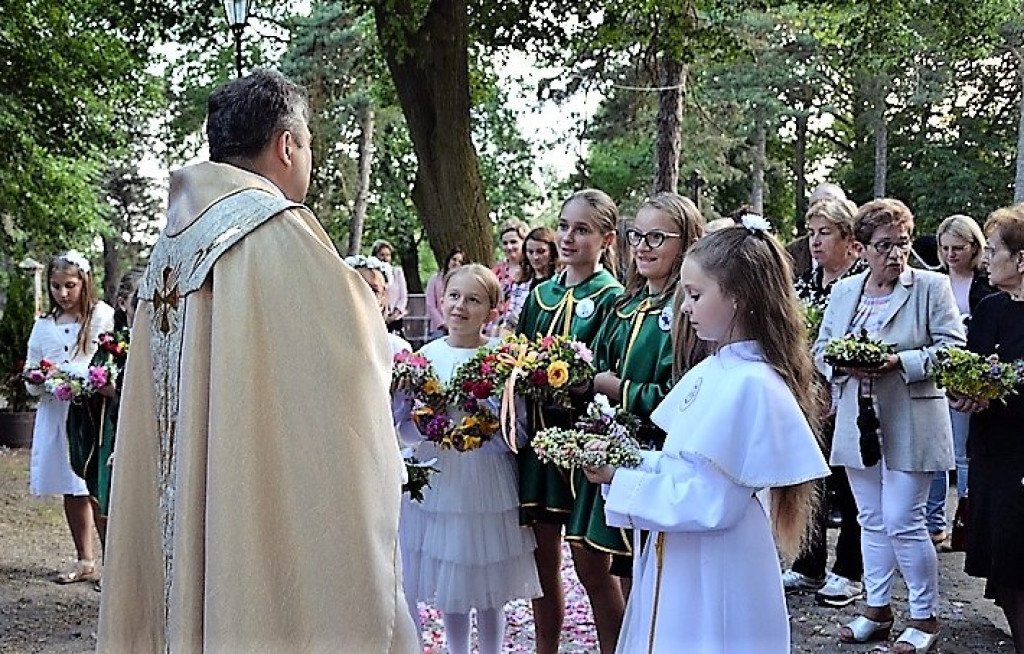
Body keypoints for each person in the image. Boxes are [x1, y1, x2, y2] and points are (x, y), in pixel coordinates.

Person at [96, 69, 418, 653]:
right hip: (244, 491)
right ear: (286, 144)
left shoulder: (172, 243)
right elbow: (354, 359)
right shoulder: (279, 232)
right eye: (310, 143)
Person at [585, 220, 830, 652]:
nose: (684, 308)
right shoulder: (718, 369)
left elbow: (711, 500)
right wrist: (627, 460)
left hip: (716, 562)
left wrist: (619, 480)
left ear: (738, 298)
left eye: (695, 296)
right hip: (689, 553)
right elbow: (686, 464)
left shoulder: (751, 384)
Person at [813, 199, 966, 653]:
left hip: (912, 417)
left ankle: (926, 616)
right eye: (884, 246)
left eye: (902, 243)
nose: (896, 254)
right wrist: (841, 364)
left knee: (904, 519)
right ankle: (876, 609)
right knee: (871, 519)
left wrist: (901, 361)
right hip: (856, 420)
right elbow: (821, 348)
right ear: (861, 248)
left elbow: (953, 348)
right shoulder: (845, 292)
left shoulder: (931, 288)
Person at [397, 264, 541, 654]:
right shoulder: (424, 357)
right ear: (441, 300)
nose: (460, 306)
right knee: (452, 574)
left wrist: (488, 421)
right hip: (442, 478)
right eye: (454, 296)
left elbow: (519, 432)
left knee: (486, 579)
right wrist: (423, 424)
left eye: (473, 300)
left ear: (492, 311)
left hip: (485, 478)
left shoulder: (500, 360)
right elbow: (405, 430)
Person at [516, 189, 625, 654]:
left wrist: (582, 382)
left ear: (607, 239)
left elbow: (611, 366)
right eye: (564, 226)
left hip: (586, 448)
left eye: (582, 229)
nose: (568, 237)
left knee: (591, 565)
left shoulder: (612, 298)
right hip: (539, 445)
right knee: (542, 565)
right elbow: (518, 356)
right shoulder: (540, 295)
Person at [588, 193, 707, 584]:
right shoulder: (625, 304)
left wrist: (622, 390)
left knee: (656, 577)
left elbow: (686, 396)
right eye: (636, 235)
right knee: (623, 572)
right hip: (617, 454)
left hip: (661, 461)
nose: (641, 246)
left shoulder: (689, 313)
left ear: (687, 243)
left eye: (657, 237)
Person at [784, 198, 867, 607]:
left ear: (849, 239)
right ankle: (808, 563)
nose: (815, 242)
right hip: (809, 392)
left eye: (826, 233)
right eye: (812, 232)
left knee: (849, 486)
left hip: (850, 394)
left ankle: (850, 572)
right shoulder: (805, 283)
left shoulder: (862, 285)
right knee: (811, 478)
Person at [952, 205, 1024, 654]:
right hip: (994, 452)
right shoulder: (991, 309)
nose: (985, 259)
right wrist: (964, 393)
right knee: (1007, 563)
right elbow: (972, 370)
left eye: (993, 250)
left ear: (1021, 260)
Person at [24, 251, 115, 584]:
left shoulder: (102, 316)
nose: (63, 294)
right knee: (71, 486)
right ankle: (84, 559)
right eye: (56, 286)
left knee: (96, 486)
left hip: (92, 412)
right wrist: (39, 380)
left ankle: (114, 563)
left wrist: (90, 380)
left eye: (70, 286)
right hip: (58, 412)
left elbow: (109, 358)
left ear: (84, 283)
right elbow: (33, 366)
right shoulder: (44, 325)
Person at [66, 270, 141, 581]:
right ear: (123, 303)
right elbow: (97, 375)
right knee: (107, 497)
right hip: (108, 431)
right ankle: (115, 571)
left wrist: (120, 390)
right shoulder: (112, 344)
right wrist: (96, 388)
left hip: (142, 431)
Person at [925, 214, 994, 550]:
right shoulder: (931, 282)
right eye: (946, 248)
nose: (951, 254)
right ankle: (933, 524)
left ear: (974, 247)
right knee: (937, 452)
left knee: (962, 450)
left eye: (959, 248)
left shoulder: (987, 284)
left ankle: (966, 522)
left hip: (970, 373)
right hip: (936, 373)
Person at [497, 226, 557, 334]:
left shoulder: (559, 282)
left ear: (552, 252)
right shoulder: (521, 282)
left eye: (541, 251)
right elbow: (510, 316)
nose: (535, 257)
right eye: (530, 252)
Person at [425, 247, 465, 339]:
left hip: (458, 328)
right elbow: (430, 304)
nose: (456, 263)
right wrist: (443, 323)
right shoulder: (435, 279)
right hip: (438, 328)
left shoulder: (463, 282)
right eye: (454, 259)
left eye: (460, 262)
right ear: (448, 260)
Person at [372, 239, 409, 337]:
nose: (385, 258)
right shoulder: (371, 274)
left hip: (395, 320)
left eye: (388, 255)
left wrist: (394, 315)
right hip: (377, 319)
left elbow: (403, 296)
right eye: (382, 255)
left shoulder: (397, 272)